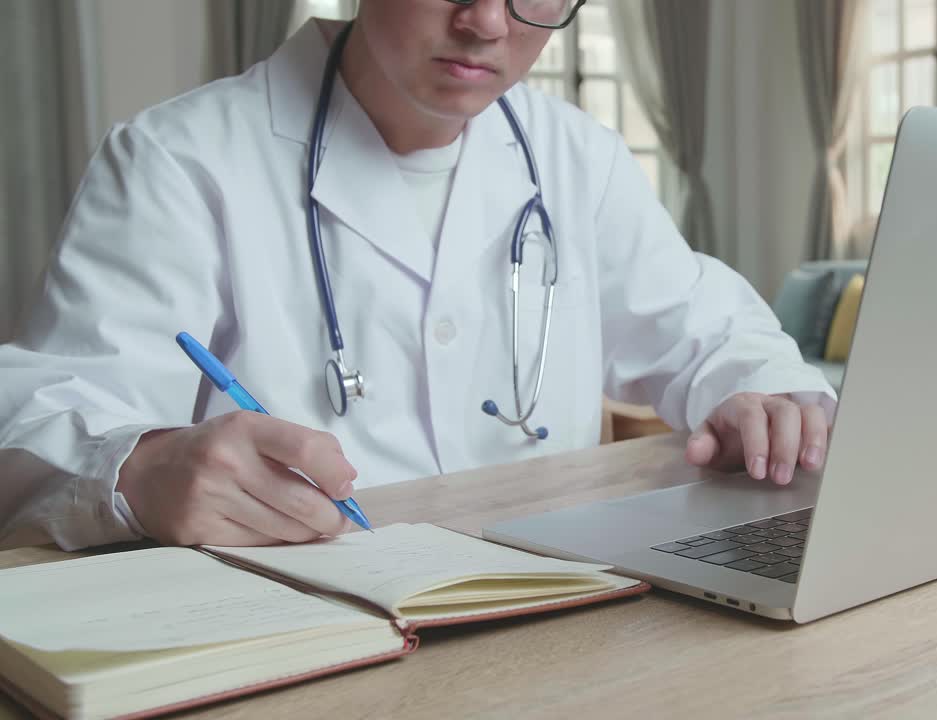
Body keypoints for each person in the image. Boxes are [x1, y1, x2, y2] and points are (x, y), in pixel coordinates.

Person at [0, 0, 836, 552]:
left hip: (555, 607)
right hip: (295, 630)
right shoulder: (177, 161)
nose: (486, 21)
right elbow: (41, 418)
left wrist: (758, 392)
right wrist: (140, 469)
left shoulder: (576, 156)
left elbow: (703, 326)